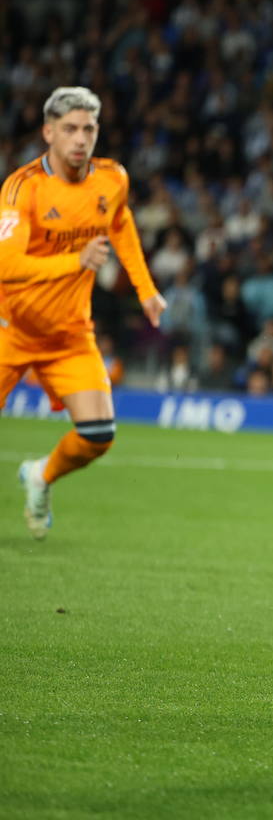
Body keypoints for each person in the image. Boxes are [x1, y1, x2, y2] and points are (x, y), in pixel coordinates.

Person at [0, 87, 165, 539]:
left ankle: (41, 476)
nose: (80, 139)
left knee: (98, 435)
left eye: (88, 129)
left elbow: (121, 223)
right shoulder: (22, 187)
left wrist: (146, 289)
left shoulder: (112, 179)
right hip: (9, 329)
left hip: (69, 335)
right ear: (48, 132)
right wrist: (73, 262)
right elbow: (5, 264)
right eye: (70, 129)